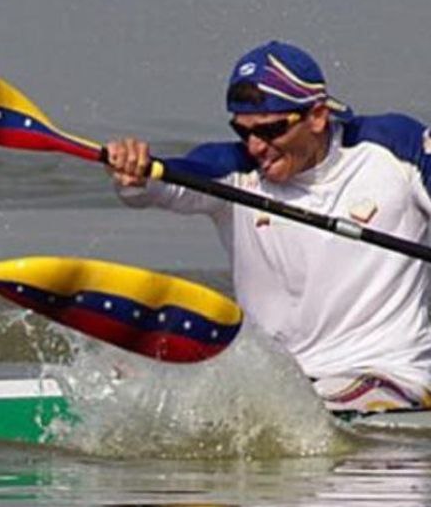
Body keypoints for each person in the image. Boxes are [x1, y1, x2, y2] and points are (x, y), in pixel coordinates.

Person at [104, 39, 431, 414]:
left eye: (272, 130)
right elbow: (160, 184)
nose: (257, 147)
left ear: (318, 116)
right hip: (275, 383)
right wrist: (133, 173)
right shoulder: (233, 170)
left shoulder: (394, 149)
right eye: (244, 132)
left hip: (387, 374)